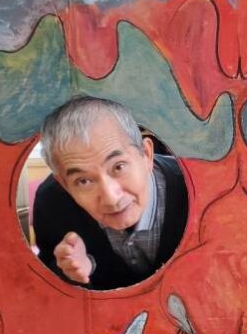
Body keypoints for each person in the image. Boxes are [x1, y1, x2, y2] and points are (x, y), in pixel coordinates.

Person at [33, 95, 188, 290]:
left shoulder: (194, 189)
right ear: (64, 184)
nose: (111, 198)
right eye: (83, 181)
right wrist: (73, 272)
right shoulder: (51, 205)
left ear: (146, 155)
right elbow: (48, 281)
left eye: (118, 167)